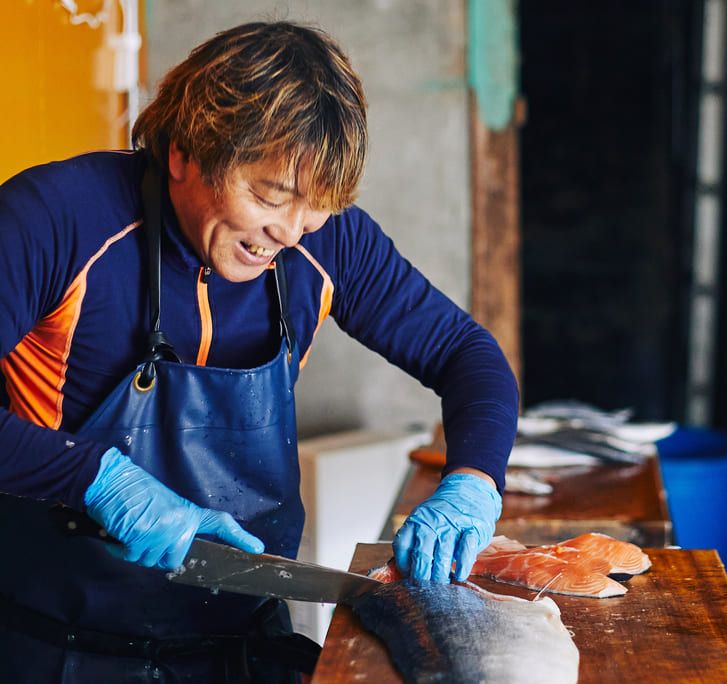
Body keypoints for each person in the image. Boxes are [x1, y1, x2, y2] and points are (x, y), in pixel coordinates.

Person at [0, 20, 518, 683]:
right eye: (272, 195)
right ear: (184, 151)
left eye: (318, 206)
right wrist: (96, 480)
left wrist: (473, 481)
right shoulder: (56, 218)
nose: (292, 230)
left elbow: (465, 353)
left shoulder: (326, 243)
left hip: (244, 651)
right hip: (54, 653)